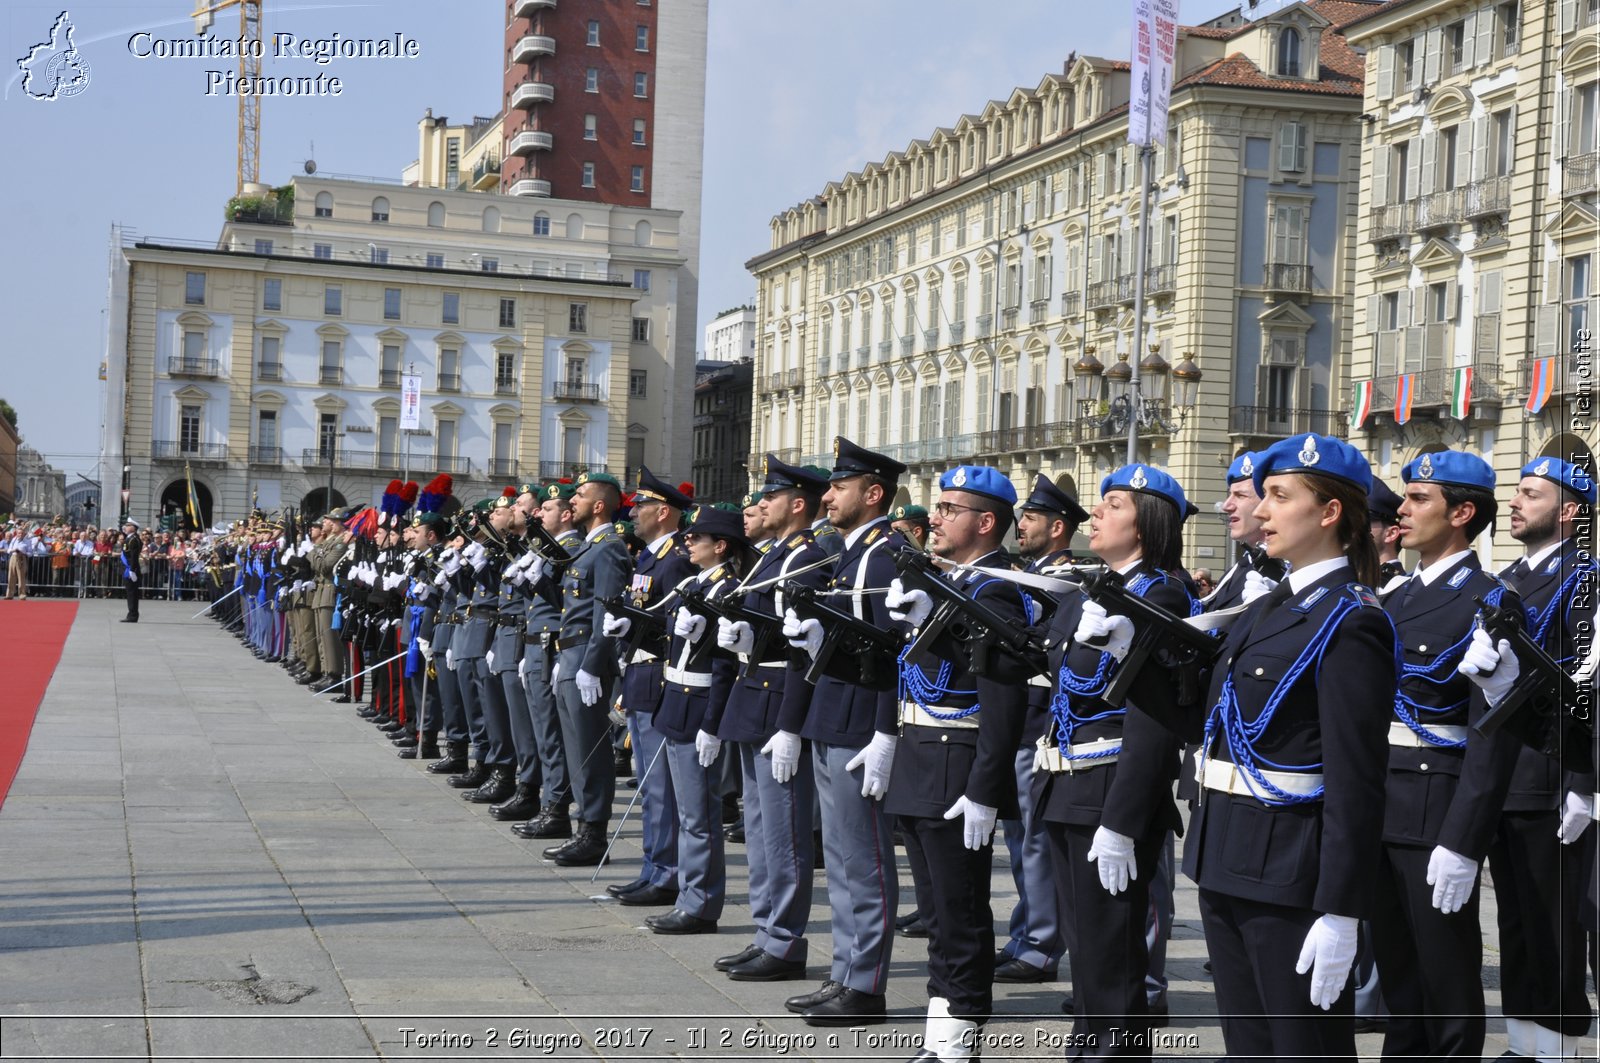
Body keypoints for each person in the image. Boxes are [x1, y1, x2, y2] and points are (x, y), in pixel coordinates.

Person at [1183, 433, 1397, 1062]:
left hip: (1288, 877)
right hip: (1224, 856)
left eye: (1279, 497)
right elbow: (1213, 719)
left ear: (1329, 513)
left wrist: (1340, 911)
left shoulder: (1351, 619)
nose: (1262, 511)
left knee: (1302, 1048)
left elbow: (1357, 781)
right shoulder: (1268, 606)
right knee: (1249, 1046)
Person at [1032, 464, 1196, 1059]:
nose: (1096, 512)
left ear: (1148, 523)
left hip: (1111, 789)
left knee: (1113, 953)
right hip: (1069, 781)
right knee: (1087, 953)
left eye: (1115, 504)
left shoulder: (1162, 595)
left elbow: (1155, 722)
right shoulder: (1093, 591)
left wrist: (1123, 821)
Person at [1369, 450, 1520, 1060]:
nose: (1401, 510)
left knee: (1446, 982)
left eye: (1419, 499)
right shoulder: (1398, 597)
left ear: (1461, 512)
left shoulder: (1490, 600)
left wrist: (1462, 841)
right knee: (1400, 980)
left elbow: (1492, 736)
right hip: (1382, 800)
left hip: (1435, 810)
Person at [883, 464, 1030, 1061]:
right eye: (938, 508)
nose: (935, 519)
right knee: (937, 912)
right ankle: (940, 1036)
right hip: (920, 757)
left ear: (985, 522)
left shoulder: (994, 590)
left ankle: (958, 1043)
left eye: (948, 509)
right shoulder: (951, 583)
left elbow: (1003, 698)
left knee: (961, 912)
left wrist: (986, 788)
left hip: (956, 764)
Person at [1462, 456, 1598, 1060]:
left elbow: (1589, 686)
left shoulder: (1587, 577)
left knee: (1554, 928)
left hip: (1549, 776)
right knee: (1515, 922)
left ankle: (1561, 1049)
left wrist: (1582, 779)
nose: (1514, 502)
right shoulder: (1509, 577)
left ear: (1569, 510)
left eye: (1530, 493)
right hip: (1502, 774)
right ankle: (1523, 1044)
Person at [781, 436, 908, 1027]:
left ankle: (866, 984)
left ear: (873, 493)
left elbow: (893, 654)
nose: (827, 495)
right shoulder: (854, 555)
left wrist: (887, 734)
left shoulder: (881, 556)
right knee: (840, 857)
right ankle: (844, 972)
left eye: (839, 486)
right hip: (834, 717)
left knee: (865, 862)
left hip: (860, 723)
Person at [710, 455, 833, 979]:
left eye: (770, 498)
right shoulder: (771, 555)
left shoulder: (807, 556)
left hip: (779, 697)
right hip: (752, 693)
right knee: (760, 828)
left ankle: (784, 940)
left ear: (797, 505)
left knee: (782, 830)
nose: (759, 506)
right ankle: (767, 931)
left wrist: (790, 724)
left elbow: (807, 650)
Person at [642, 503, 753, 934]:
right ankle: (689, 895)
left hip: (699, 704)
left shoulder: (728, 589)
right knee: (685, 811)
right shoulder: (693, 583)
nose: (687, 541)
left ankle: (701, 903)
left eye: (696, 537)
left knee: (698, 815)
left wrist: (712, 722)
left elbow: (726, 666)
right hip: (675, 700)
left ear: (720, 546)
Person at [995, 474, 1087, 989]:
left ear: (1058, 527)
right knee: (1019, 838)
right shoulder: (1029, 573)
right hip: (1020, 719)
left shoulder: (1066, 580)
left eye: (1029, 518)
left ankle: (1041, 944)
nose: (1021, 525)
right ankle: (1025, 931)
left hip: (1041, 720)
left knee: (1033, 840)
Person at [599, 468, 694, 902]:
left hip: (658, 675)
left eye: (642, 507)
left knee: (660, 786)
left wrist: (636, 624)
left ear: (664, 511)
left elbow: (676, 626)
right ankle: (652, 866)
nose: (634, 513)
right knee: (647, 783)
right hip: (638, 673)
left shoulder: (675, 559)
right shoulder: (649, 556)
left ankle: (666, 873)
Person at [543, 471, 633, 867]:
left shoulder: (609, 548)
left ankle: (594, 833)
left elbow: (606, 611)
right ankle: (583, 827)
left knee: (589, 752)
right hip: (571, 655)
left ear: (599, 505)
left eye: (579, 496)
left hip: (586, 659)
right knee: (575, 748)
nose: (572, 502)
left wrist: (594, 666)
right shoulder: (588, 548)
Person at [510, 481, 583, 841]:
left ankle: (555, 807)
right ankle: (548, 803)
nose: (539, 513)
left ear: (566, 514)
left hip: (550, 644)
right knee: (542, 730)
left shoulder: (568, 548)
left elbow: (563, 603)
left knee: (551, 733)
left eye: (547, 509)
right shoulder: (549, 548)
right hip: (536, 644)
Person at [119, 519, 143, 622]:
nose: (125, 527)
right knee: (130, 593)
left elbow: (133, 556)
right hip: (129, 569)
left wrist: (132, 570)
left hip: (131, 569)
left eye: (128, 525)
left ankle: (133, 616)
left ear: (133, 528)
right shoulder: (129, 538)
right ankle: (131, 614)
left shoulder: (133, 539)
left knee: (132, 593)